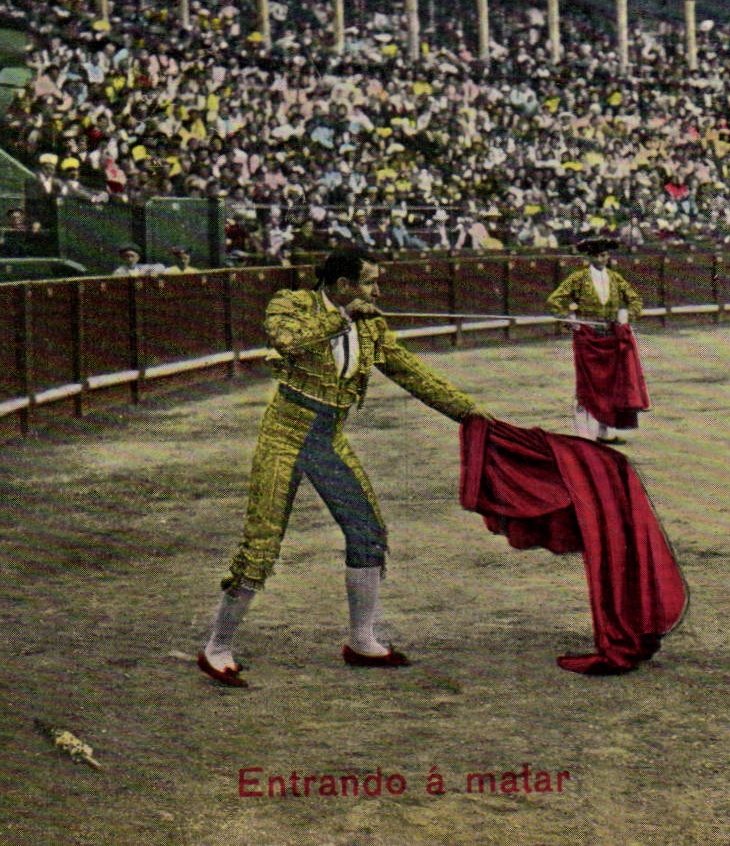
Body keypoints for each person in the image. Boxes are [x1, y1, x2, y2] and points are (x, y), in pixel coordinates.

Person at [197, 248, 491, 688]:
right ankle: (217, 646)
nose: (378, 290)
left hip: (327, 439)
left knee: (367, 531)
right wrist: (343, 317)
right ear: (342, 286)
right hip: (285, 436)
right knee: (261, 543)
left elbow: (413, 373)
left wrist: (472, 415)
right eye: (370, 282)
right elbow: (286, 340)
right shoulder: (291, 302)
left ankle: (361, 638)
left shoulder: (371, 324)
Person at [545, 236, 646, 443]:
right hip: (587, 336)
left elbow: (635, 300)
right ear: (590, 257)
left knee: (609, 386)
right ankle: (583, 436)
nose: (603, 259)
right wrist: (569, 317)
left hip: (610, 336)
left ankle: (603, 432)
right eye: (599, 255)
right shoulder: (579, 278)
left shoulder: (615, 278)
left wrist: (626, 314)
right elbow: (555, 300)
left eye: (606, 255)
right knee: (586, 387)